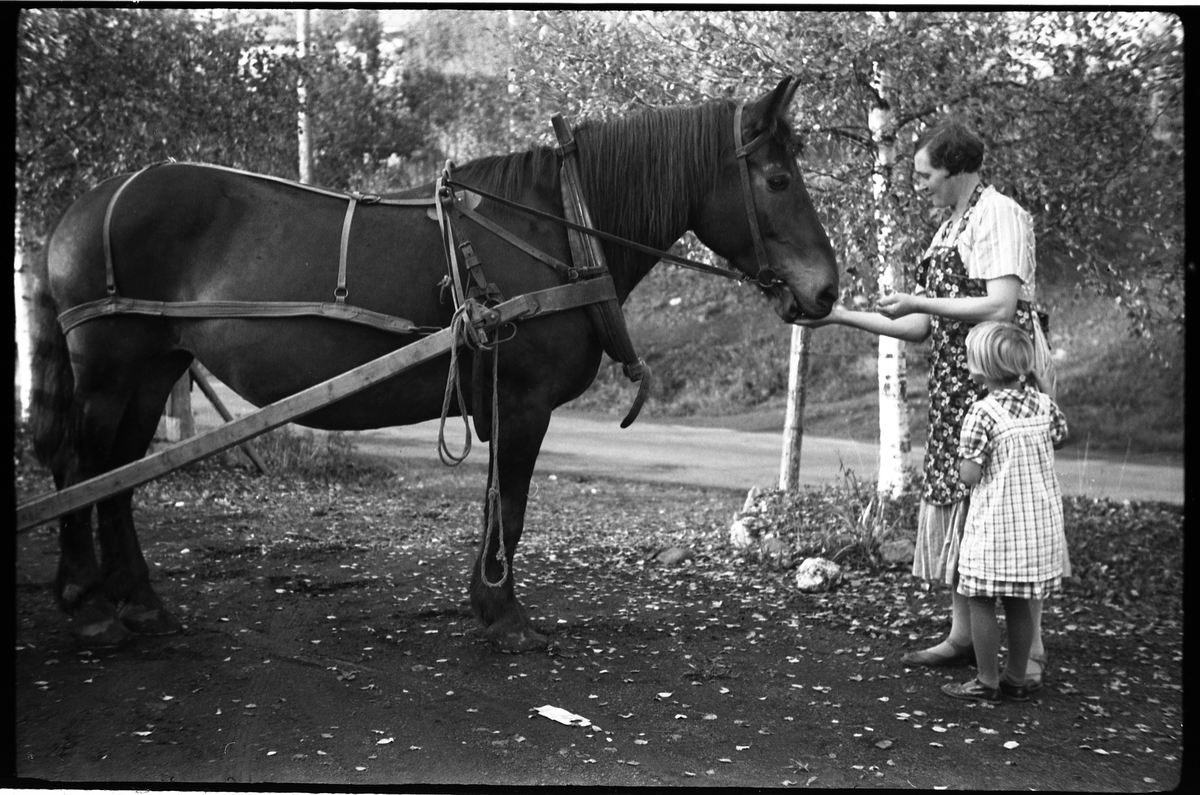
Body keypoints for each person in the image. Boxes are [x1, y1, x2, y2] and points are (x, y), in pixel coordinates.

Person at [798, 120, 1058, 687]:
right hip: (954, 379)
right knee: (960, 499)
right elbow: (919, 325)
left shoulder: (999, 215)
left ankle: (1029, 652)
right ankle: (964, 636)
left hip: (998, 377)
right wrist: (839, 315)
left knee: (1002, 509)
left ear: (957, 170)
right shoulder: (948, 228)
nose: (917, 185)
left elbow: (1000, 304)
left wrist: (922, 298)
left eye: (925, 175)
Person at [942, 321, 1068, 702]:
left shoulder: (982, 413)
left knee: (979, 597)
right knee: (1018, 600)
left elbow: (970, 474)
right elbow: (1061, 436)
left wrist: (960, 465)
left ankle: (986, 680)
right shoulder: (1043, 404)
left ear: (981, 369)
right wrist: (1047, 391)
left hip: (997, 527)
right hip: (1037, 526)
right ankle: (1016, 677)